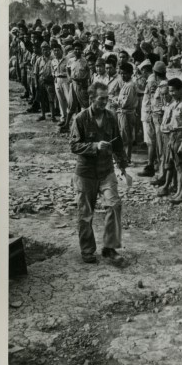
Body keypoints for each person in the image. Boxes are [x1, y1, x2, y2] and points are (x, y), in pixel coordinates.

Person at [69, 82, 128, 266]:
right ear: (91, 98)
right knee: (85, 214)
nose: (105, 102)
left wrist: (123, 166)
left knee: (114, 205)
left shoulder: (111, 117)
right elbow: (74, 145)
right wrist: (95, 146)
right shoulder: (80, 118)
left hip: (106, 171)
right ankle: (87, 250)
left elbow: (118, 143)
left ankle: (109, 248)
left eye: (106, 98)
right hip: (85, 173)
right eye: (101, 98)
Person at [115, 62, 138, 162]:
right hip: (123, 112)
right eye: (121, 73)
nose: (122, 75)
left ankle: (126, 157)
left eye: (125, 73)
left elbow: (125, 102)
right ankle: (124, 156)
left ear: (130, 73)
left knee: (126, 136)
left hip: (126, 113)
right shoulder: (126, 84)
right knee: (123, 135)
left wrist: (116, 102)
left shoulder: (130, 86)